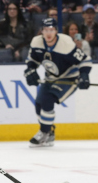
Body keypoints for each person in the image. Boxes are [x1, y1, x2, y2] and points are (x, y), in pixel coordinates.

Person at [24, 18, 92, 147]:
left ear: (56, 31)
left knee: (48, 100)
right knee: (39, 104)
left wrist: (84, 75)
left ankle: (43, 132)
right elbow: (32, 60)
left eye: (51, 30)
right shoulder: (36, 42)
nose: (48, 33)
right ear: (42, 31)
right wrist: (30, 70)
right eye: (45, 30)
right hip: (51, 77)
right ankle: (49, 133)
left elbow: (85, 60)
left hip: (69, 79)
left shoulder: (66, 43)